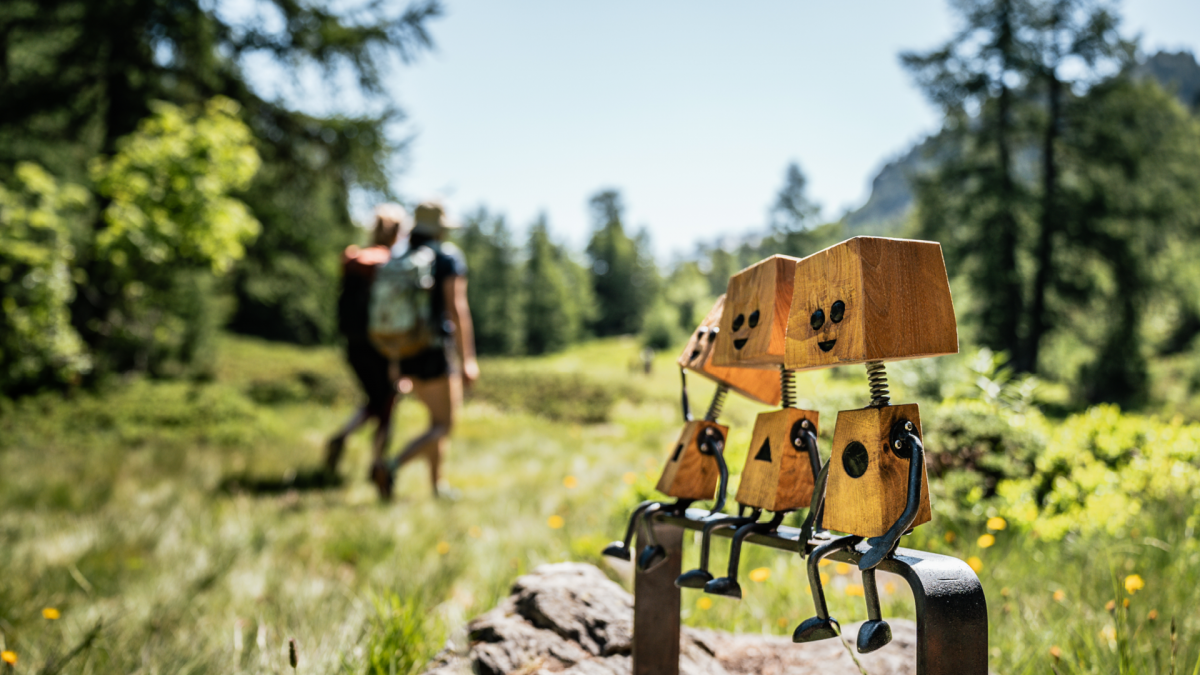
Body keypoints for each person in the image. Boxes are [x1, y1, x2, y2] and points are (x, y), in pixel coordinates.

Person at [375, 200, 479, 500]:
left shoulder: (401, 256)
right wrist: (468, 359)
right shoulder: (447, 258)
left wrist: (394, 361)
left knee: (435, 422)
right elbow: (457, 309)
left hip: (406, 350)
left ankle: (437, 487)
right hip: (434, 351)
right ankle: (391, 466)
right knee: (444, 424)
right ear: (440, 228)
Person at [325, 204, 408, 478]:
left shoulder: (354, 258)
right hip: (381, 344)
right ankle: (378, 465)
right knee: (387, 402)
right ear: (397, 233)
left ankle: (343, 437)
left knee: (377, 398)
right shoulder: (391, 264)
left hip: (353, 343)